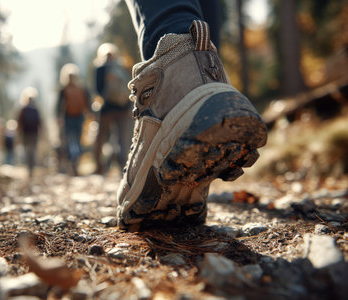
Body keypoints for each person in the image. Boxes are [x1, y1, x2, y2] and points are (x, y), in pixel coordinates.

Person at [116, 0, 268, 229]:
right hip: (210, 62)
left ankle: (175, 65)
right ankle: (204, 75)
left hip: (173, 56)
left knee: (173, 22)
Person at [94, 43, 133, 175]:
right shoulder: (122, 67)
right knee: (123, 138)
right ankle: (124, 167)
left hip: (107, 109)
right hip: (123, 108)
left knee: (102, 137)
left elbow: (98, 89)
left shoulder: (100, 68)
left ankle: (101, 166)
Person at [57, 63, 90, 176]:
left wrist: (59, 118)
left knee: (71, 140)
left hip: (69, 117)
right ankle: (76, 164)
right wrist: (89, 114)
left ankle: (73, 163)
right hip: (79, 117)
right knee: (77, 140)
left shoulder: (64, 89)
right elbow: (88, 102)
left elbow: (59, 106)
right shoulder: (81, 88)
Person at [17, 87, 42, 177]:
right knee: (33, 151)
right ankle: (32, 167)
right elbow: (40, 122)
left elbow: (19, 122)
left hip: (25, 133)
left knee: (27, 151)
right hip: (34, 133)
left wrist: (19, 133)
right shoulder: (36, 109)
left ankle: (29, 168)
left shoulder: (23, 109)